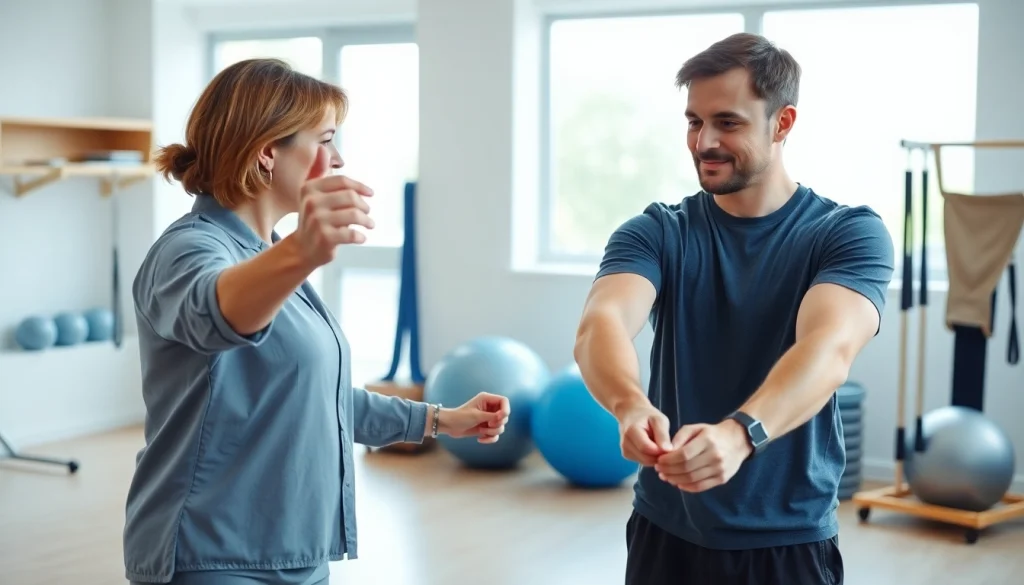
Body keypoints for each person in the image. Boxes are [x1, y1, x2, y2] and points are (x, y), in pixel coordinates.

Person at [122, 58, 511, 585]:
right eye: (325, 139)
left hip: (298, 552)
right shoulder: (189, 250)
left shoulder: (270, 254)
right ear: (266, 153)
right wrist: (304, 250)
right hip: (211, 554)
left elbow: (318, 397)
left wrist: (441, 420)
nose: (338, 157)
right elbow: (214, 313)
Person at [573, 33, 895, 585]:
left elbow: (828, 349)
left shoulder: (847, 234)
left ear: (783, 122)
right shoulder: (658, 231)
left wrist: (742, 433)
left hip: (785, 540)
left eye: (728, 122)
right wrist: (628, 405)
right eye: (694, 122)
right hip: (663, 530)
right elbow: (601, 324)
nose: (704, 142)